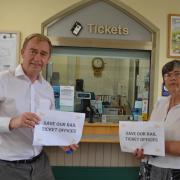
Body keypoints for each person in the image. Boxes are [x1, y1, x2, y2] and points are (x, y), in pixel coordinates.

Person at [0, 33, 78, 180]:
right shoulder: (3, 80)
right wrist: (13, 122)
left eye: (43, 54)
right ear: (22, 52)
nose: (37, 58)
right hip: (7, 166)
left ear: (48, 59)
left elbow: (49, 124)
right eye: (33, 51)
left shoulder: (47, 88)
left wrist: (61, 141)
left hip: (41, 165)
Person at [134, 60, 180, 180]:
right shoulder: (160, 103)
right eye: (168, 75)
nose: (173, 78)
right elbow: (150, 133)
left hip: (175, 170)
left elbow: (153, 141)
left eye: (177, 73)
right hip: (150, 167)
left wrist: (155, 146)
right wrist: (142, 148)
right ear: (164, 81)